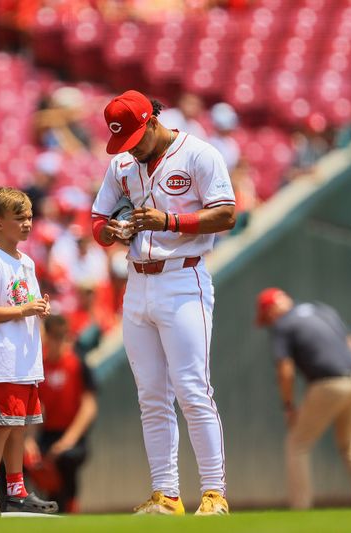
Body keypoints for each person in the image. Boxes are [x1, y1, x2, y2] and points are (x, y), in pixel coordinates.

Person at [91, 90, 236, 515]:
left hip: (183, 278)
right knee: (151, 395)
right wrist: (111, 232)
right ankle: (166, 494)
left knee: (193, 389)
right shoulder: (121, 164)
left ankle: (213, 492)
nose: (130, 147)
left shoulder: (199, 155)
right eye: (123, 140)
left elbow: (226, 213)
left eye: (135, 137)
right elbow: (98, 219)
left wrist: (171, 221)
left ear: (152, 121)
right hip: (137, 283)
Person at [0, 187, 58, 515]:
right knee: (4, 423)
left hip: (25, 357)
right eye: (18, 218)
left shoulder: (27, 262)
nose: (27, 224)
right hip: (6, 357)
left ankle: (17, 489)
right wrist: (24, 311)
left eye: (29, 217)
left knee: (20, 424)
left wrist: (37, 309)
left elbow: (23, 301)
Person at [255, 288, 351, 509]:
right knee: (350, 442)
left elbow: (285, 370)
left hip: (327, 384)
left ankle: (301, 506)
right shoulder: (322, 310)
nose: (268, 321)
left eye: (266, 316)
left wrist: (288, 405)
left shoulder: (283, 324)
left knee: (297, 443)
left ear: (272, 309)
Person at [27, 314, 98, 513]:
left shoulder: (77, 364)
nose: (59, 341)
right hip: (46, 435)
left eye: (63, 336)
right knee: (20, 459)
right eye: (55, 336)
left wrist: (67, 441)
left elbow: (89, 406)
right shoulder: (40, 366)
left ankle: (70, 506)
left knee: (66, 457)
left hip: (72, 436)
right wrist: (29, 440)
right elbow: (37, 406)